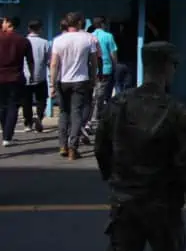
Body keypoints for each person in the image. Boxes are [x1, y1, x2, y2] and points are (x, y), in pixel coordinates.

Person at [95, 41, 186, 251]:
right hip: (163, 203)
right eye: (174, 65)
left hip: (125, 200)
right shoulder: (175, 110)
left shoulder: (118, 104)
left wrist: (113, 177)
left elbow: (101, 149)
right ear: (167, 67)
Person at [50, 11, 97, 160]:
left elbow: (54, 64)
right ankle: (73, 147)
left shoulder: (58, 40)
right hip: (81, 79)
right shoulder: (88, 39)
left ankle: (62, 145)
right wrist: (93, 78)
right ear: (79, 23)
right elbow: (93, 62)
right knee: (76, 112)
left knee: (63, 112)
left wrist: (52, 84)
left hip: (62, 80)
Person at [0, 16, 33, 148]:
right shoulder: (23, 40)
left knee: (2, 106)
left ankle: (6, 134)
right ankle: (8, 136)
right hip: (16, 77)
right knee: (13, 106)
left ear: (8, 23)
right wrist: (32, 74)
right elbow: (30, 61)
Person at [87, 16, 118, 132]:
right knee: (102, 94)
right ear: (103, 24)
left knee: (93, 93)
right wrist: (115, 65)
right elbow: (113, 53)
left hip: (91, 69)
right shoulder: (108, 36)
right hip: (105, 68)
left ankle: (91, 117)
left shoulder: (89, 36)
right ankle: (95, 117)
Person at [22, 19, 51, 133]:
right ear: (40, 29)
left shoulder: (23, 41)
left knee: (26, 101)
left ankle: (28, 123)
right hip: (41, 76)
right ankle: (39, 116)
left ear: (29, 29)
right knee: (41, 99)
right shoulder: (45, 42)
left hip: (25, 75)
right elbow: (49, 60)